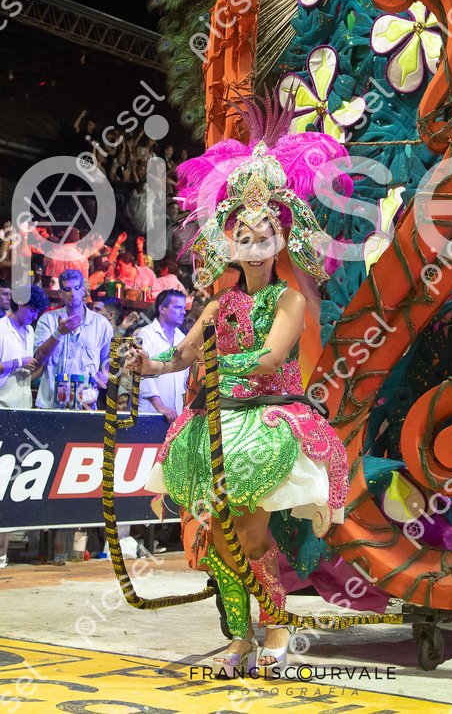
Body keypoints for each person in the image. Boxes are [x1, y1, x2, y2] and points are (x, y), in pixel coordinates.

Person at [126, 107, 349, 676]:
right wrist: (143, 365)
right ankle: (241, 637)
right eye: (242, 237)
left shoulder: (288, 299)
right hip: (215, 425)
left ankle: (276, 626)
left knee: (247, 535)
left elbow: (272, 357)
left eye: (263, 237)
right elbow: (179, 356)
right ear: (230, 244)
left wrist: (222, 363)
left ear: (280, 242)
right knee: (219, 540)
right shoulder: (218, 304)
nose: (252, 246)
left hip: (266, 423)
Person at [33, 269, 112, 409]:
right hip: (50, 405)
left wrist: (105, 375)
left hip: (86, 405)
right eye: (67, 289)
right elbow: (39, 358)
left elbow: (109, 361)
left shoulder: (101, 324)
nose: (73, 293)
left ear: (83, 291)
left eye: (77, 288)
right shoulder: (48, 320)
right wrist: (58, 333)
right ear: (60, 293)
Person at [0, 287, 48, 409]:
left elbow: (26, 373)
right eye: (32, 311)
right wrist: (19, 362)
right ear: (20, 304)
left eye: (37, 312)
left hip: (24, 407)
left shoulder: (30, 331)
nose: (35, 316)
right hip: (0, 407)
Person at [135, 289, 188, 421]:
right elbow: (142, 374)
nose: (183, 312)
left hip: (177, 414)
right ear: (162, 309)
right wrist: (161, 407)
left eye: (184, 308)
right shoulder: (146, 334)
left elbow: (185, 379)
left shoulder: (183, 338)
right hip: (152, 413)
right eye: (178, 307)